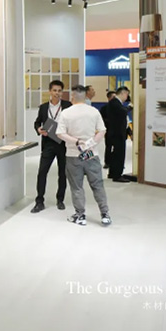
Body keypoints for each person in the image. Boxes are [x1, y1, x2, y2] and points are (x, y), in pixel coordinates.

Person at [56, 85, 111, 227]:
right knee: (98, 185)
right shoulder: (94, 111)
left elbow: (60, 133)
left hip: (73, 155)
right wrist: (90, 143)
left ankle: (80, 215)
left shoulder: (66, 113)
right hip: (91, 154)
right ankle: (105, 214)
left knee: (76, 186)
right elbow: (102, 130)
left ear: (72, 96)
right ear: (85, 96)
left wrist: (76, 141)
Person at [31, 80, 72, 213]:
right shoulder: (43, 107)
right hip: (48, 143)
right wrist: (39, 129)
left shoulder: (67, 106)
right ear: (50, 91)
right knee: (42, 172)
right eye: (54, 90)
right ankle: (39, 201)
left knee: (62, 173)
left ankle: (60, 199)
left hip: (63, 143)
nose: (57, 93)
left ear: (62, 92)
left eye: (59, 91)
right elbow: (37, 122)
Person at [106, 86, 131, 183]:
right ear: (123, 93)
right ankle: (117, 175)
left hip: (117, 132)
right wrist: (130, 107)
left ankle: (113, 173)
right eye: (127, 94)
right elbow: (123, 112)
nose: (127, 97)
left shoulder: (116, 103)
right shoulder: (115, 102)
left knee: (115, 154)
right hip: (117, 133)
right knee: (119, 154)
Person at [98, 91, 116, 169]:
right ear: (108, 98)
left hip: (117, 130)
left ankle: (115, 162)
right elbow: (101, 120)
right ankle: (107, 162)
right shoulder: (104, 108)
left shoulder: (118, 107)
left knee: (117, 147)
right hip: (108, 130)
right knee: (108, 147)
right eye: (113, 97)